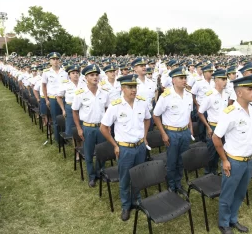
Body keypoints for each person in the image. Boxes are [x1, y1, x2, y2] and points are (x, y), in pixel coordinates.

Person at [100, 74, 151, 221]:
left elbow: (147, 119)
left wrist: (144, 136)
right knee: (125, 178)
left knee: (138, 175)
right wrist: (115, 145)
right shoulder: (115, 106)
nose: (133, 90)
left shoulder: (142, 103)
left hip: (140, 146)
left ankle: (137, 200)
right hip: (125, 148)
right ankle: (125, 205)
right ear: (122, 88)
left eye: (135, 86)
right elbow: (104, 128)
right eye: (130, 87)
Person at [212, 74, 252, 234]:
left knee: (240, 193)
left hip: (248, 160)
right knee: (228, 194)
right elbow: (216, 137)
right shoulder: (229, 113)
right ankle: (224, 223)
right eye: (250, 89)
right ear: (239, 93)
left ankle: (233, 218)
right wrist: (224, 160)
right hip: (234, 161)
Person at [153, 66, 194, 192]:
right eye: (181, 78)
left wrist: (190, 129)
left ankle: (178, 183)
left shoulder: (188, 95)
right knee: (172, 161)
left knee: (181, 160)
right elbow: (155, 115)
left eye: (185, 77)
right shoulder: (166, 96)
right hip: (172, 133)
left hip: (185, 132)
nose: (184, 80)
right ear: (173, 80)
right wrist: (163, 134)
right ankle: (171, 185)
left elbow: (188, 115)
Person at [72, 64, 110, 187]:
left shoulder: (104, 92)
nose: (95, 77)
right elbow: (75, 111)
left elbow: (107, 109)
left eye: (96, 75)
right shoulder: (80, 93)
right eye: (91, 75)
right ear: (86, 78)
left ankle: (100, 172)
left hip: (101, 127)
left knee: (102, 152)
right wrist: (79, 128)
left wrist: (108, 125)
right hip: (88, 127)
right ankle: (91, 176)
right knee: (88, 154)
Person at [198, 69, 229, 175]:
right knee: (211, 151)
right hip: (214, 127)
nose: (225, 81)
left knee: (220, 151)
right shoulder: (210, 95)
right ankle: (208, 173)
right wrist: (208, 127)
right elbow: (200, 112)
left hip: (224, 127)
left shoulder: (226, 94)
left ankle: (214, 171)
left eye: (226, 79)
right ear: (216, 81)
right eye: (222, 79)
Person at [42, 52, 68, 143]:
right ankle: (59, 139)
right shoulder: (46, 72)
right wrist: (46, 99)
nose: (55, 61)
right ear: (50, 61)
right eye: (53, 59)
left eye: (57, 59)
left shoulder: (65, 72)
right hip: (53, 98)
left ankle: (66, 137)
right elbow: (44, 86)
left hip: (64, 98)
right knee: (56, 119)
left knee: (66, 118)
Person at [56, 64, 84, 137]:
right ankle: (75, 145)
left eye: (77, 73)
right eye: (73, 73)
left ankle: (81, 143)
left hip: (82, 108)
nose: (75, 75)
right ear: (69, 75)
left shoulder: (84, 83)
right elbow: (58, 97)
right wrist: (63, 109)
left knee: (82, 126)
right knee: (71, 127)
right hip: (70, 107)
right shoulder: (65, 84)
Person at [192, 64, 215, 142]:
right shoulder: (199, 83)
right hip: (202, 108)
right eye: (209, 72)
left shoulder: (214, 82)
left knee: (210, 126)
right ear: (204, 73)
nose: (211, 73)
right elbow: (193, 94)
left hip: (212, 108)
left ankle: (210, 139)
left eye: (212, 71)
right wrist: (197, 105)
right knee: (201, 127)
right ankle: (201, 141)